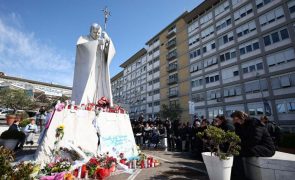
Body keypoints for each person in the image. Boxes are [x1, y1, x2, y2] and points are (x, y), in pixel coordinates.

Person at [231, 111, 275, 180]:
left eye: (236, 119)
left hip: (266, 148)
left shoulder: (255, 123)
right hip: (253, 146)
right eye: (234, 120)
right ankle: (236, 175)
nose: (236, 121)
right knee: (234, 150)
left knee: (239, 152)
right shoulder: (239, 125)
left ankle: (239, 177)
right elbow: (238, 138)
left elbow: (254, 140)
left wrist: (240, 144)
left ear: (243, 117)